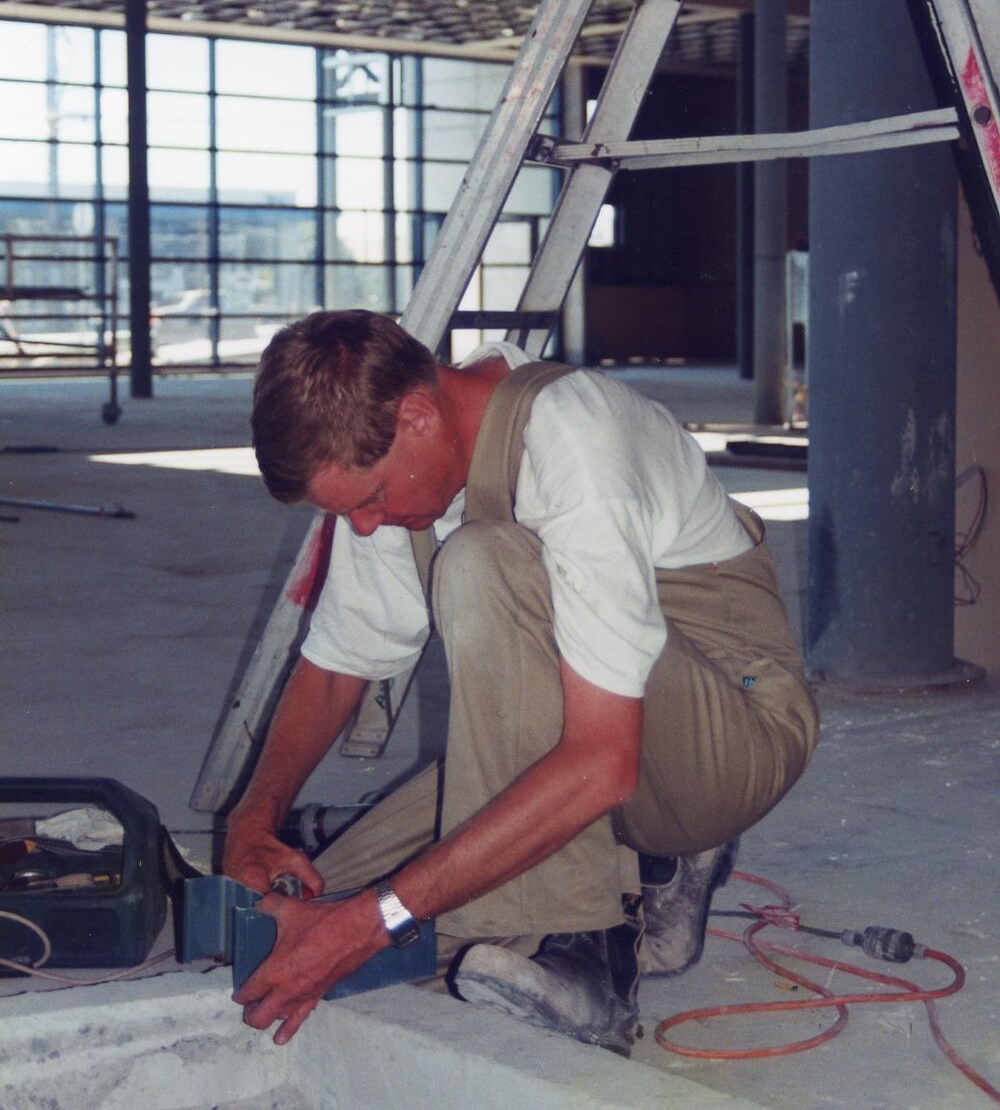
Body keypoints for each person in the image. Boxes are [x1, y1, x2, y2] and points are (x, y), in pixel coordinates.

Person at [224, 309, 819, 1053]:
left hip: (727, 739)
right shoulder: (395, 466)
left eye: (370, 499)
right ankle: (641, 871)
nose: (366, 526)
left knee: (484, 564)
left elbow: (602, 763)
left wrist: (373, 923)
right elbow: (338, 662)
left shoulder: (575, 442)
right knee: (302, 913)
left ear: (415, 416)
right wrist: (255, 820)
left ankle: (589, 957)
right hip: (597, 733)